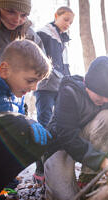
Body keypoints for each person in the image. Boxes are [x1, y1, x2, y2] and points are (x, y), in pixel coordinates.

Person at [0, 39, 52, 199]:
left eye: (38, 82)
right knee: (20, 125)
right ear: (5, 70)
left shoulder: (16, 98)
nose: (34, 88)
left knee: (40, 138)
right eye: (31, 80)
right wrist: (23, 122)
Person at [43, 56, 108, 200]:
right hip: (59, 145)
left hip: (82, 141)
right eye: (101, 95)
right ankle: (49, 178)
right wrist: (101, 161)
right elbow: (67, 136)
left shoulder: (107, 101)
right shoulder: (70, 92)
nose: (105, 100)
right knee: (65, 196)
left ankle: (87, 178)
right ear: (87, 84)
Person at [33, 6, 75, 184]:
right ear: (56, 16)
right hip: (44, 85)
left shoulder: (62, 39)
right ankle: (40, 167)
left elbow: (63, 64)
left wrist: (68, 80)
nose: (68, 24)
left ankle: (55, 165)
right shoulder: (44, 32)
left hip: (60, 85)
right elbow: (37, 56)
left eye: (71, 22)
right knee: (44, 121)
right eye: (65, 19)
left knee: (58, 122)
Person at [0, 0, 44, 69]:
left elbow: (40, 70)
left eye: (23, 15)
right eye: (11, 12)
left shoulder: (30, 37)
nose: (17, 20)